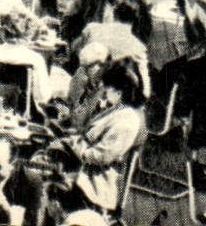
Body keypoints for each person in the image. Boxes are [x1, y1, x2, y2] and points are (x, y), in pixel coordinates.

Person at [49, 63, 145, 216]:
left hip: (94, 184)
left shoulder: (127, 121)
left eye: (106, 90)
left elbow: (101, 156)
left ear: (119, 92)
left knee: (39, 181)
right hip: (84, 169)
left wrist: (73, 145)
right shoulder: (119, 109)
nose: (103, 95)